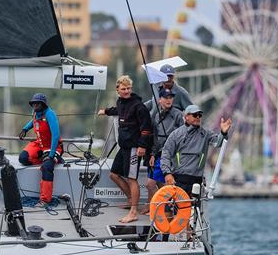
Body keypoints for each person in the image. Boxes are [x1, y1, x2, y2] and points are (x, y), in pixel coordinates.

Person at [97, 75, 151, 223]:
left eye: (128, 88)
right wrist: (106, 111)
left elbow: (146, 128)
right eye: (123, 89)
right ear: (118, 90)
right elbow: (118, 111)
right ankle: (130, 200)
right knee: (114, 174)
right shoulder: (121, 102)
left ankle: (134, 212)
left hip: (135, 148)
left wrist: (142, 146)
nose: (126, 91)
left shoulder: (139, 106)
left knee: (131, 179)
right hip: (124, 147)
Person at [161, 104, 232, 197]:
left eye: (200, 115)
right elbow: (166, 154)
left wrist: (223, 132)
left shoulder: (206, 133)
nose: (198, 117)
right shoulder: (175, 135)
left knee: (195, 209)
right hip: (178, 179)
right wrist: (167, 173)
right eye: (195, 115)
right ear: (186, 117)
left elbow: (218, 143)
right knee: (173, 209)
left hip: (197, 181)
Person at [141, 88, 184, 214]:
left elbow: (183, 135)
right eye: (166, 97)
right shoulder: (156, 114)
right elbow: (154, 137)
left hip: (169, 154)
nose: (169, 100)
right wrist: (153, 154)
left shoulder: (177, 114)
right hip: (157, 153)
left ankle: (164, 207)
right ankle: (166, 205)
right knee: (158, 184)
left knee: (151, 184)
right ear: (160, 100)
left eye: (171, 97)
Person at [18, 93, 63, 207]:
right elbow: (32, 121)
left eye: (37, 103)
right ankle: (45, 159)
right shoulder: (35, 113)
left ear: (43, 104)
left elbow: (56, 136)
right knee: (23, 158)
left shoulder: (50, 114)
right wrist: (25, 129)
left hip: (53, 146)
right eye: (33, 103)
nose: (35, 105)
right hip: (40, 144)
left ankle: (45, 200)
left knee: (47, 167)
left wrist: (51, 155)